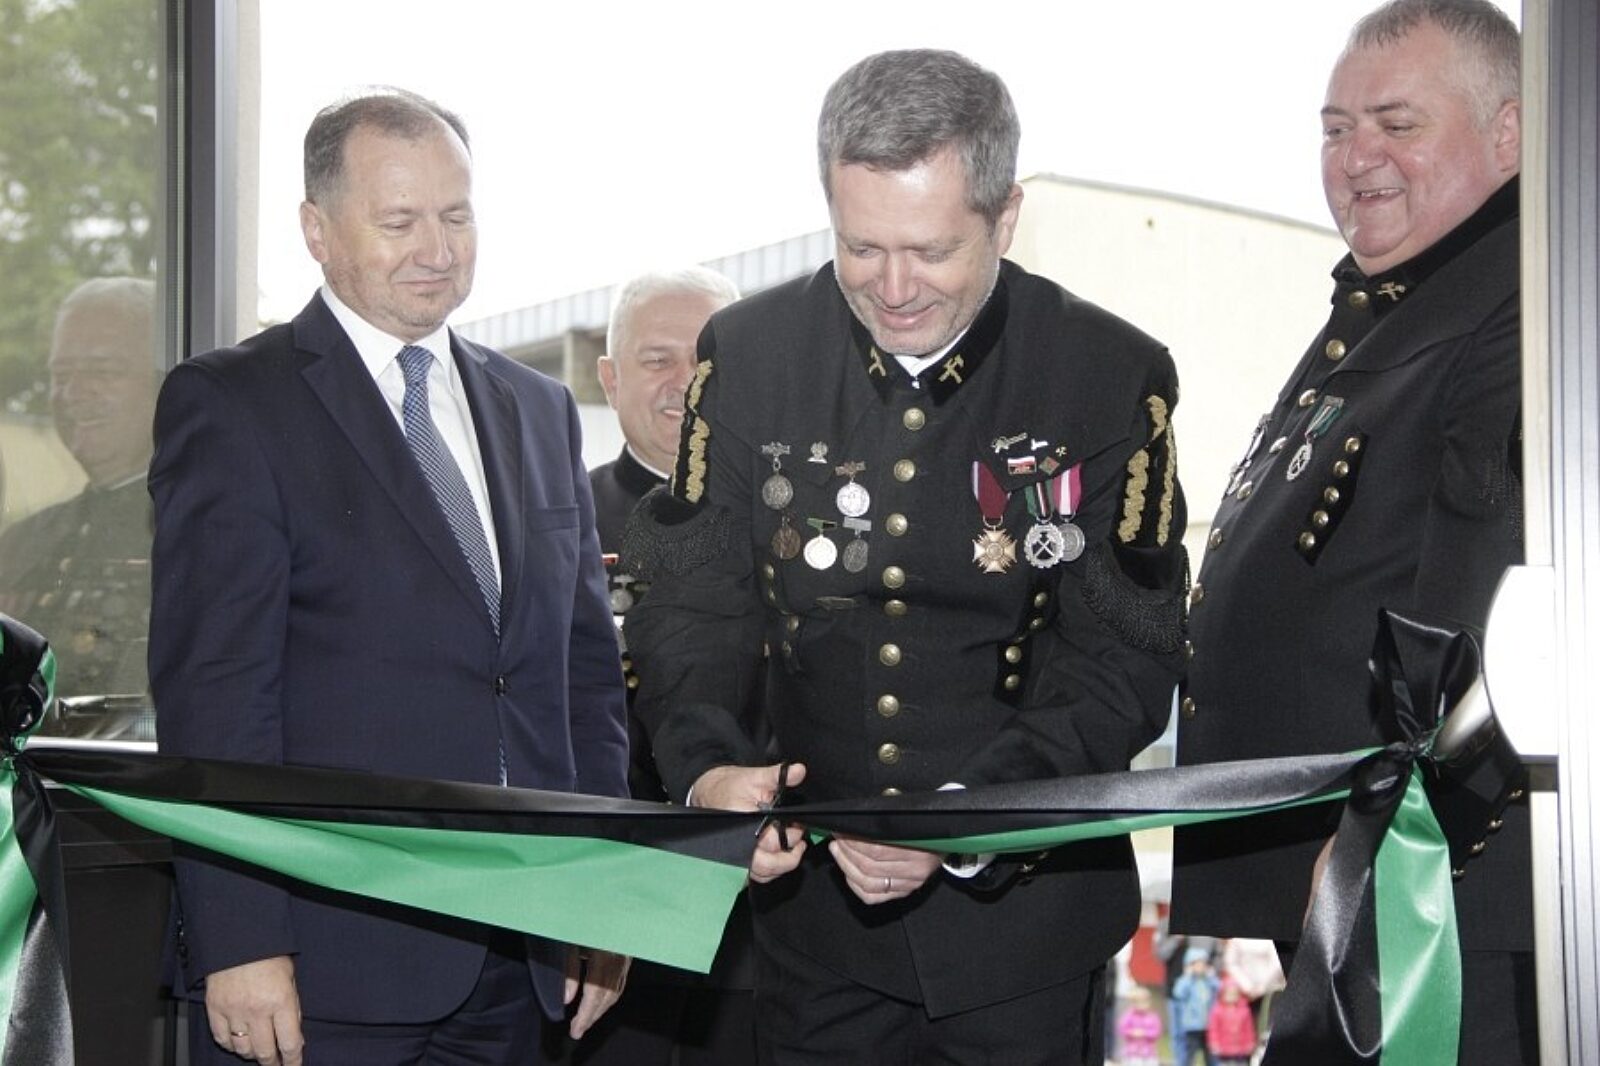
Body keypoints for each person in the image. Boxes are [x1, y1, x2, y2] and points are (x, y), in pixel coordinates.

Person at [625, 48, 1188, 1065]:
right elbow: (697, 601)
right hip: (811, 936)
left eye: (930, 251)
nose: (892, 289)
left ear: (1004, 218)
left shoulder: (1108, 376)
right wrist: (706, 768)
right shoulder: (748, 356)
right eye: (860, 247)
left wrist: (967, 821)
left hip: (1023, 941)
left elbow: (1123, 654)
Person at [149, 88, 630, 1066]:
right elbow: (216, 698)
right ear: (317, 231)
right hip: (324, 970)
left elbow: (583, 686)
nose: (437, 250)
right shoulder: (233, 405)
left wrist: (599, 897)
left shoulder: (539, 410)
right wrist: (242, 939)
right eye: (400, 221)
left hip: (524, 953)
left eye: (456, 216)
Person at [1170, 1, 1535, 1062]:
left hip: (1434, 899)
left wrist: (1383, 839)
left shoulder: (1521, 300)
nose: (1355, 156)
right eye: (1335, 129)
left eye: (1395, 124)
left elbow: (1482, 603)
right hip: (1345, 884)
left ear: (1508, 133)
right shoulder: (1396, 305)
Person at [558, 266, 756, 1066]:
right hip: (606, 904)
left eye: (706, 360)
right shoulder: (554, 524)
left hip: (758, 925)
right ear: (609, 378)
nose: (684, 382)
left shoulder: (796, 530)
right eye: (656, 359)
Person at [0, 277, 158, 707]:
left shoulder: (204, 529)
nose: (72, 393)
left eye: (102, 372)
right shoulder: (21, 543)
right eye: (61, 374)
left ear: (164, 380)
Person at [1169, 949, 1218, 1066]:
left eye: (1203, 964)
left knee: (1210, 1054)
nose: (1201, 967)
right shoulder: (1186, 981)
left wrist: (1211, 976)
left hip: (1208, 1025)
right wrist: (1187, 976)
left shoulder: (1208, 981)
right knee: (1189, 1054)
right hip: (1192, 1026)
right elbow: (1178, 993)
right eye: (1197, 964)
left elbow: (1219, 988)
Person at [1206, 979, 1256, 1066]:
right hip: (1223, 1050)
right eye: (1229, 994)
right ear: (1222, 994)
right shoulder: (1217, 1011)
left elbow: (1248, 1029)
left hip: (1241, 1050)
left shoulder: (1245, 1011)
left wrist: (1250, 1043)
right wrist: (1214, 1043)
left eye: (1234, 994)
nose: (1231, 997)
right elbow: (1214, 1029)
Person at [1115, 986, 1163, 1066]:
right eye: (1138, 1002)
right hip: (1132, 1053)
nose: (1142, 1005)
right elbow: (1122, 1028)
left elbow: (1157, 1032)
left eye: (1144, 1002)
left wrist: (1145, 1033)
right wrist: (1132, 1032)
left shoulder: (1153, 1017)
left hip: (1149, 1053)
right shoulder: (1129, 1016)